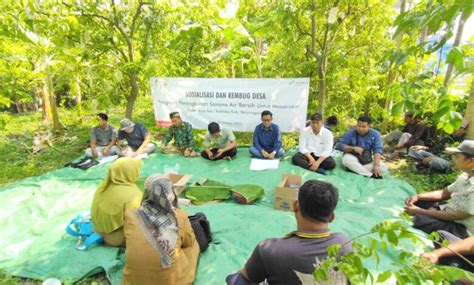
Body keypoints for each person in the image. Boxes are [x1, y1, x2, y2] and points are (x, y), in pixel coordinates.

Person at [226, 180, 352, 285]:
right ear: (332, 217)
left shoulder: (270, 249)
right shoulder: (344, 242)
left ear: (296, 206)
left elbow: (245, 278)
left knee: (233, 279)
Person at [122, 174, 200, 284]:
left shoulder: (131, 214)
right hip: (172, 281)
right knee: (193, 245)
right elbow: (189, 241)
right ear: (171, 193)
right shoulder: (179, 216)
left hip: (133, 281)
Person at [404, 140, 474, 239]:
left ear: (471, 161)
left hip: (460, 227)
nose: (453, 159)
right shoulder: (464, 176)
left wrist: (420, 211)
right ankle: (429, 213)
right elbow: (444, 193)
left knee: (420, 220)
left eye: (457, 156)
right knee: (416, 202)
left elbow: (457, 215)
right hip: (449, 211)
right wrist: (418, 196)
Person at [91, 158, 143, 246]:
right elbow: (137, 222)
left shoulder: (103, 187)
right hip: (118, 240)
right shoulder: (133, 194)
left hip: (99, 232)